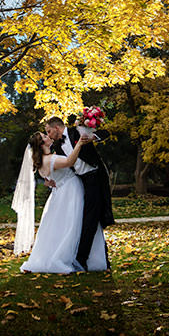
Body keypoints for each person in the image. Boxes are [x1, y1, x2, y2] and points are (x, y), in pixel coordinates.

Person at [19, 130, 106, 273]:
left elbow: (48, 181)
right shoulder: (50, 159)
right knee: (74, 224)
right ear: (42, 144)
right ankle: (68, 258)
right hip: (70, 191)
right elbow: (69, 161)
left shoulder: (42, 162)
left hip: (59, 194)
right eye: (45, 137)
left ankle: (66, 255)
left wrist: (51, 182)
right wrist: (79, 144)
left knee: (60, 227)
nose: (48, 137)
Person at [44, 115, 113, 271]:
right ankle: (101, 261)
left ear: (56, 128)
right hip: (80, 183)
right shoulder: (58, 147)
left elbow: (105, 133)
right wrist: (49, 180)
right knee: (88, 220)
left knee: (92, 218)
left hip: (95, 178)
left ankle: (82, 259)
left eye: (49, 131)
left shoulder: (78, 131)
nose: (48, 135)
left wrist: (92, 137)